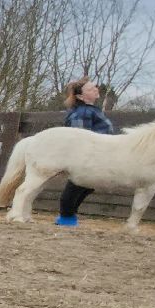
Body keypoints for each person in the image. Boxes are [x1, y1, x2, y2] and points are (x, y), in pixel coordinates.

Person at [55, 77, 115, 227]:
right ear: (80, 96)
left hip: (98, 155)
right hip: (87, 157)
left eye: (95, 87)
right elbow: (79, 136)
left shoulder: (92, 111)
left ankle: (68, 216)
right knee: (78, 184)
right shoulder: (82, 113)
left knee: (88, 185)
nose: (95, 89)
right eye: (90, 88)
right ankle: (66, 217)